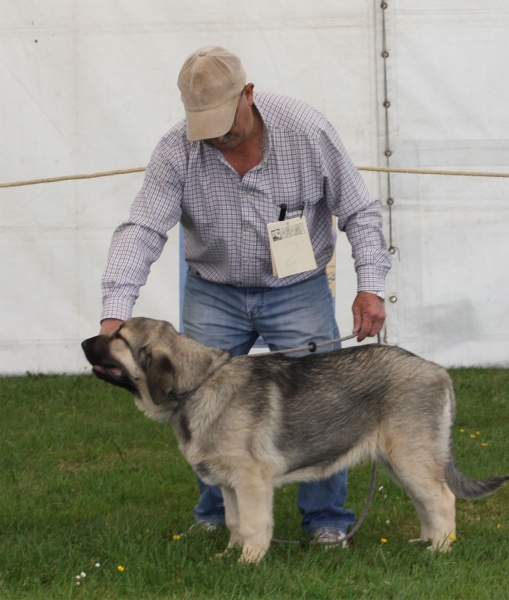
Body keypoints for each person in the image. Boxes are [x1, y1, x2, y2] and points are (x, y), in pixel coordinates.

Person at [98, 46, 391, 545]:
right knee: (195, 402)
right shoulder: (175, 151)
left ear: (248, 95)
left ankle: (325, 521)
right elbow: (142, 228)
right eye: (203, 124)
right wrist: (114, 314)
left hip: (297, 288)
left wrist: (371, 286)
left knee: (324, 404)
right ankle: (217, 515)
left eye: (224, 123)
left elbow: (360, 211)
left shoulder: (307, 130)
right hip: (215, 289)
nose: (215, 136)